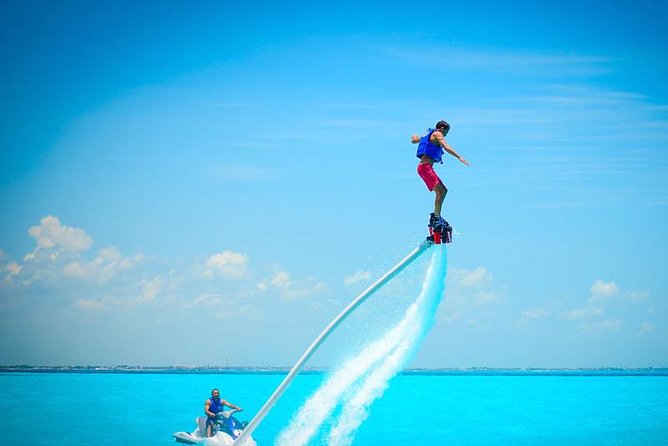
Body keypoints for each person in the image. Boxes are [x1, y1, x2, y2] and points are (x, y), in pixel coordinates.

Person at [411, 120, 469, 230]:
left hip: (423, 168)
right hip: (425, 168)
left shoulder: (427, 135)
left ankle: (436, 217)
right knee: (442, 191)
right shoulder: (438, 134)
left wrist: (414, 137)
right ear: (442, 128)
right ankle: (436, 217)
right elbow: (446, 147)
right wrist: (459, 157)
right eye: (446, 132)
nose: (446, 135)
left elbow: (415, 140)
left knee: (441, 191)